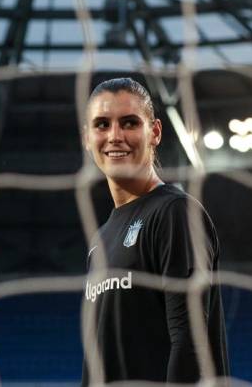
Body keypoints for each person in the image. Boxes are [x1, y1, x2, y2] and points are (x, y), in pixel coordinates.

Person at [80, 77, 229, 385]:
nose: (115, 136)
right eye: (102, 124)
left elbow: (190, 341)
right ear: (87, 137)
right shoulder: (101, 239)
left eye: (130, 123)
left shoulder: (174, 213)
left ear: (155, 132)